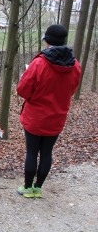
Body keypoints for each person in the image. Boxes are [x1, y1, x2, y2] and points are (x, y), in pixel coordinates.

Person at [16, 24, 81, 198]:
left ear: (47, 41)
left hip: (35, 117)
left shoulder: (39, 63)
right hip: (57, 117)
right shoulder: (75, 66)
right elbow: (71, 90)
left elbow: (22, 90)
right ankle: (38, 188)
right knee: (46, 153)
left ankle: (28, 188)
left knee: (32, 152)